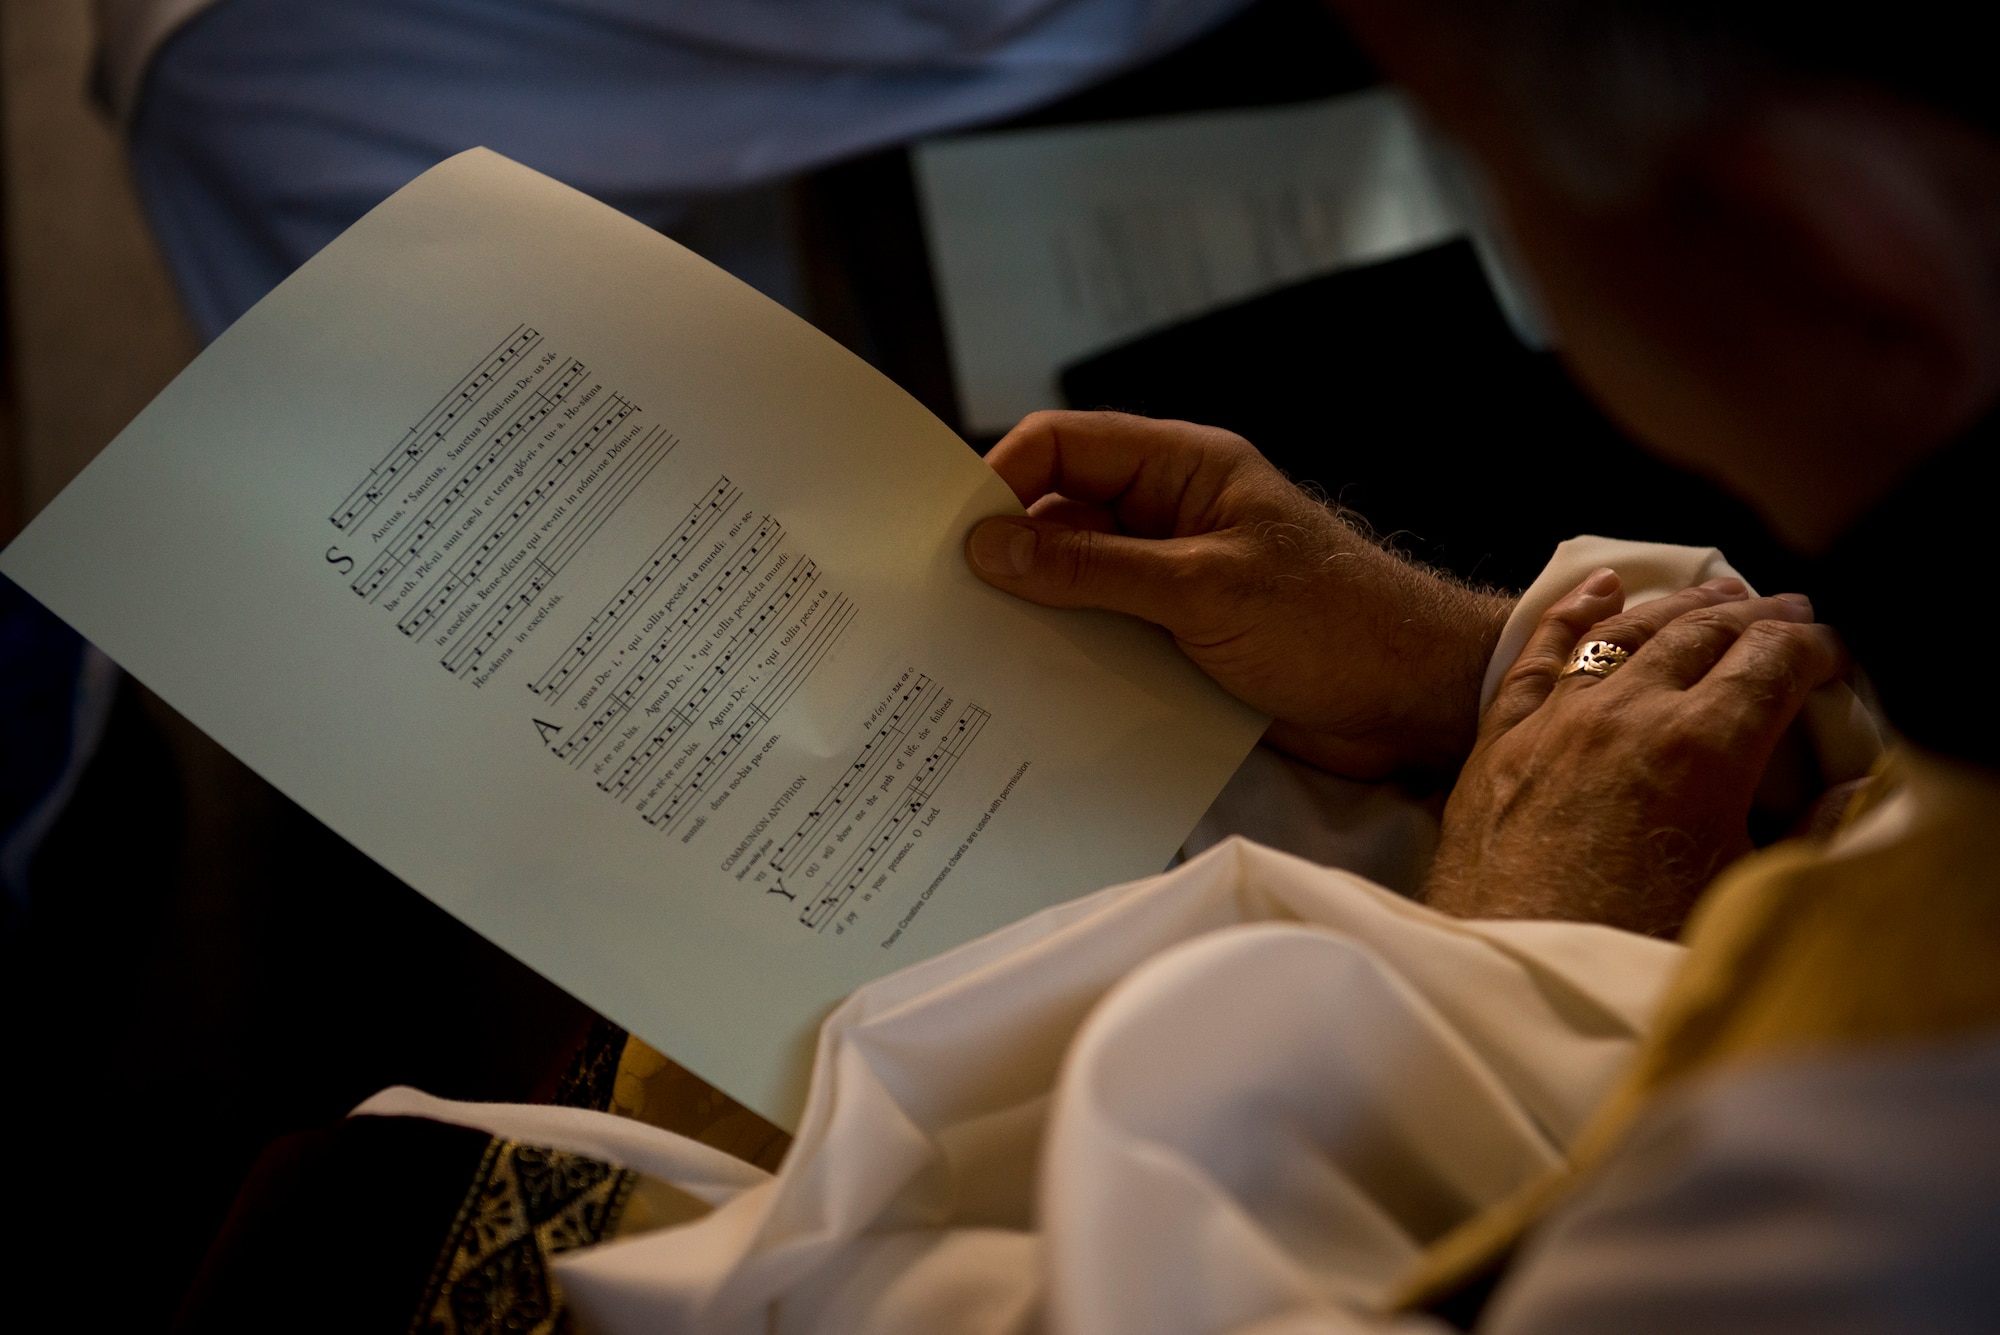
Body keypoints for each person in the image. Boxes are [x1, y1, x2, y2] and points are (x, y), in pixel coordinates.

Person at [173, 1, 2000, 1331]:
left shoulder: (1867, 1141)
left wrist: (1514, 959)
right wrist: (1483, 664)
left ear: (1824, 244)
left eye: (1472, 161)